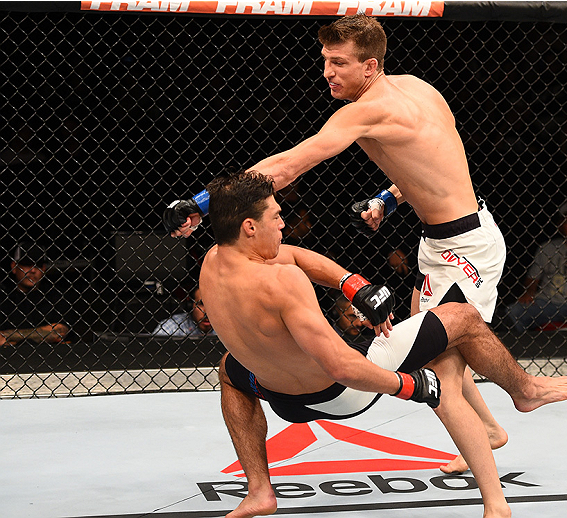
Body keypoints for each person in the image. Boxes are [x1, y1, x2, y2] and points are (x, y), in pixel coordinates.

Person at [163, 14, 511, 465]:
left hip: (466, 247)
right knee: (434, 344)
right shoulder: (419, 89)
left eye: (339, 63)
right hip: (439, 238)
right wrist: (388, 197)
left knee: (446, 344)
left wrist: (203, 202)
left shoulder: (364, 110)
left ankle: (519, 400)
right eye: (325, 60)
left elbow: (288, 167)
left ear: (370, 66)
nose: (328, 72)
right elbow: (437, 163)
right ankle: (485, 428)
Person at [198, 171, 567, 518]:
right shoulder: (283, 282)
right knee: (460, 324)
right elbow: (342, 366)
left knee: (230, 371)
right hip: (344, 390)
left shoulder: (213, 263)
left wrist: (355, 286)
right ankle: (520, 410)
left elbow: (294, 254)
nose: (284, 224)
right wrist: (411, 386)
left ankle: (260, 491)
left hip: (281, 399)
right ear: (250, 226)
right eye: (276, 217)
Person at [505, 202, 567, 332]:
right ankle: (522, 349)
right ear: (559, 225)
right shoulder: (547, 247)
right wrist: (529, 292)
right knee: (513, 310)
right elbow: (532, 279)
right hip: (547, 302)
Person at [0, 241, 69, 347]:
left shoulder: (55, 296)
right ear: (14, 266)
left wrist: (8, 336)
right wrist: (41, 334)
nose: (32, 270)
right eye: (27, 264)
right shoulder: (4, 298)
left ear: (44, 269)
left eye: (38, 265)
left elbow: (59, 331)